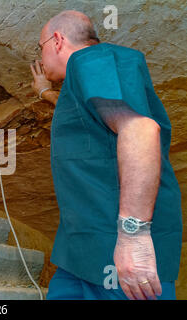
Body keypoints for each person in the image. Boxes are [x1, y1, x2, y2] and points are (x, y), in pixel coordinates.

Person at [30, 10, 182, 300]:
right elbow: (85, 114)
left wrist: (133, 238)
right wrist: (44, 93)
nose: (41, 54)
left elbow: (140, 130)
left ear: (58, 40)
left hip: (117, 257)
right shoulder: (83, 76)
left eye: (41, 47)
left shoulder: (92, 59)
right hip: (79, 256)